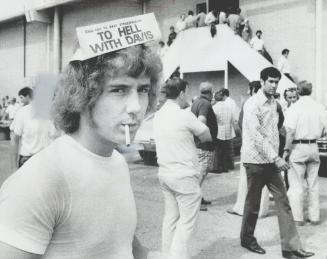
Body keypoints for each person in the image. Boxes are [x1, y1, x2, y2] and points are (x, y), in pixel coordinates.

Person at [0, 32, 163, 258]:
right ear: (83, 94)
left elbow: (121, 243)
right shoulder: (39, 181)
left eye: (143, 90)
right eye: (119, 90)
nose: (136, 106)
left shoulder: (116, 162)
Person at [240, 67, 314, 259]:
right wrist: (276, 157)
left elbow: (275, 129)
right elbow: (256, 136)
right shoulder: (252, 104)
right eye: (271, 81)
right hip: (255, 162)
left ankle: (290, 248)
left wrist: (282, 149)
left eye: (276, 82)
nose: (274, 86)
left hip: (272, 162)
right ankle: (247, 239)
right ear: (262, 81)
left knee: (283, 202)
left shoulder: (274, 103)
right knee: (253, 204)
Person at [154, 78, 211, 259]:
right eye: (186, 92)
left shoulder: (158, 114)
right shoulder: (184, 114)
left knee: (170, 218)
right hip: (184, 175)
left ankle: (166, 254)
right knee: (186, 223)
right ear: (181, 93)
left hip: (165, 172)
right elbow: (207, 136)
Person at [283, 81, 327, 226]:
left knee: (296, 184)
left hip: (298, 147)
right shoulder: (320, 107)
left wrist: (286, 150)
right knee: (313, 183)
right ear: (311, 91)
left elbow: (290, 132)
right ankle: (314, 217)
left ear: (298, 91)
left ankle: (297, 217)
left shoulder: (294, 108)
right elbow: (325, 130)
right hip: (313, 146)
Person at [227, 81, 270, 218]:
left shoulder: (249, 102)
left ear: (252, 89)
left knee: (246, 179)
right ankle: (262, 209)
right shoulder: (271, 102)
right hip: (267, 145)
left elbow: (241, 123)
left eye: (248, 88)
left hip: (251, 145)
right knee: (264, 178)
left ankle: (242, 208)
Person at [191, 82, 218, 211]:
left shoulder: (196, 102)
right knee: (202, 171)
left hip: (198, 144)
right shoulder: (205, 104)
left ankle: (197, 197)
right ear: (211, 92)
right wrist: (206, 138)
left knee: (199, 171)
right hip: (204, 145)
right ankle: (194, 200)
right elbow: (201, 121)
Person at [212, 89, 237, 173]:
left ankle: (218, 168)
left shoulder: (214, 108)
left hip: (218, 130)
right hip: (228, 130)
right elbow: (233, 120)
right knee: (226, 150)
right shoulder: (228, 107)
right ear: (223, 98)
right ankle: (225, 167)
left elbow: (213, 120)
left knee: (218, 150)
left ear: (216, 98)